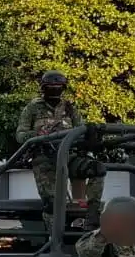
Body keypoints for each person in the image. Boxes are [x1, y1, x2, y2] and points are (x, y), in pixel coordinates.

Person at [15, 70, 103, 215]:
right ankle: (54, 235)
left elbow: (80, 128)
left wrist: (90, 133)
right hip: (45, 160)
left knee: (97, 169)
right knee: (52, 204)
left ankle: (92, 213)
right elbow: (20, 135)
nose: (55, 90)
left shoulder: (69, 107)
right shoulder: (33, 108)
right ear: (43, 88)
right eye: (51, 87)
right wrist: (37, 135)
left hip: (69, 155)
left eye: (58, 87)